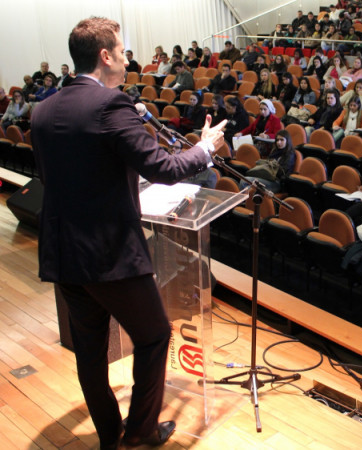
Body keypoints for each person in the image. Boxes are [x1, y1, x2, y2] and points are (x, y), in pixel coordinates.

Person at [30, 17, 225, 449]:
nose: (125, 57)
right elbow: (164, 168)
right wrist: (205, 148)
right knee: (154, 336)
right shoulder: (109, 105)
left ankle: (109, 436)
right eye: (122, 50)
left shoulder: (42, 109)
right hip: (109, 253)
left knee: (91, 353)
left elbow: (50, 174)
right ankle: (139, 435)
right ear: (105, 56)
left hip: (64, 252)